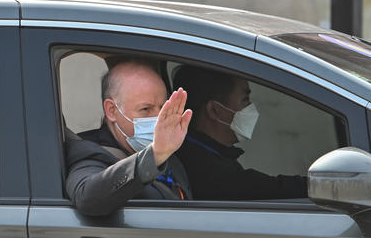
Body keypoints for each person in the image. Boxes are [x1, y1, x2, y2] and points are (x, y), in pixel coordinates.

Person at [65, 58, 193, 216]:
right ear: (112, 110)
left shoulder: (170, 153)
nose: (158, 118)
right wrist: (154, 155)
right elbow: (88, 199)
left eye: (162, 107)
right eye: (146, 109)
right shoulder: (89, 153)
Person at [172, 65, 307, 200]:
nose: (251, 108)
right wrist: (321, 185)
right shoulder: (210, 172)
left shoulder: (198, 153)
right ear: (214, 111)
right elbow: (266, 188)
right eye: (245, 100)